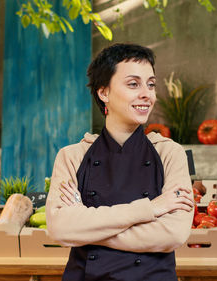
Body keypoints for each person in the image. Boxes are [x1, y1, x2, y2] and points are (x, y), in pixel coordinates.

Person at [45, 43, 194, 281]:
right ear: (104, 93)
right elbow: (59, 228)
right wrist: (151, 209)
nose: (147, 93)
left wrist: (86, 228)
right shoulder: (71, 156)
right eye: (134, 84)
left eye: (151, 84)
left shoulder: (170, 154)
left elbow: (173, 233)